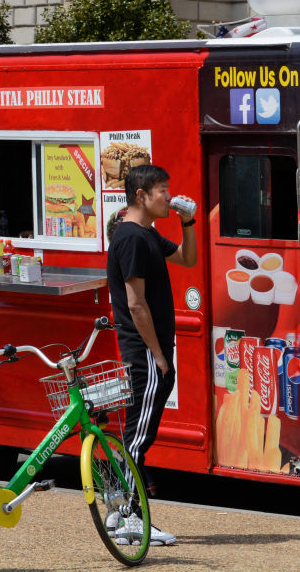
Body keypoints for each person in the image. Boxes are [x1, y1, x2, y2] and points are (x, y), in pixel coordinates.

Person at [106, 164, 197, 547]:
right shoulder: (131, 238)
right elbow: (136, 304)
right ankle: (130, 517)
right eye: (162, 190)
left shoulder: (147, 234)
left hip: (151, 352)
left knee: (139, 434)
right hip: (144, 352)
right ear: (140, 196)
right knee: (137, 437)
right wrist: (158, 355)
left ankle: (119, 511)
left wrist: (188, 221)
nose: (168, 196)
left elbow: (188, 260)